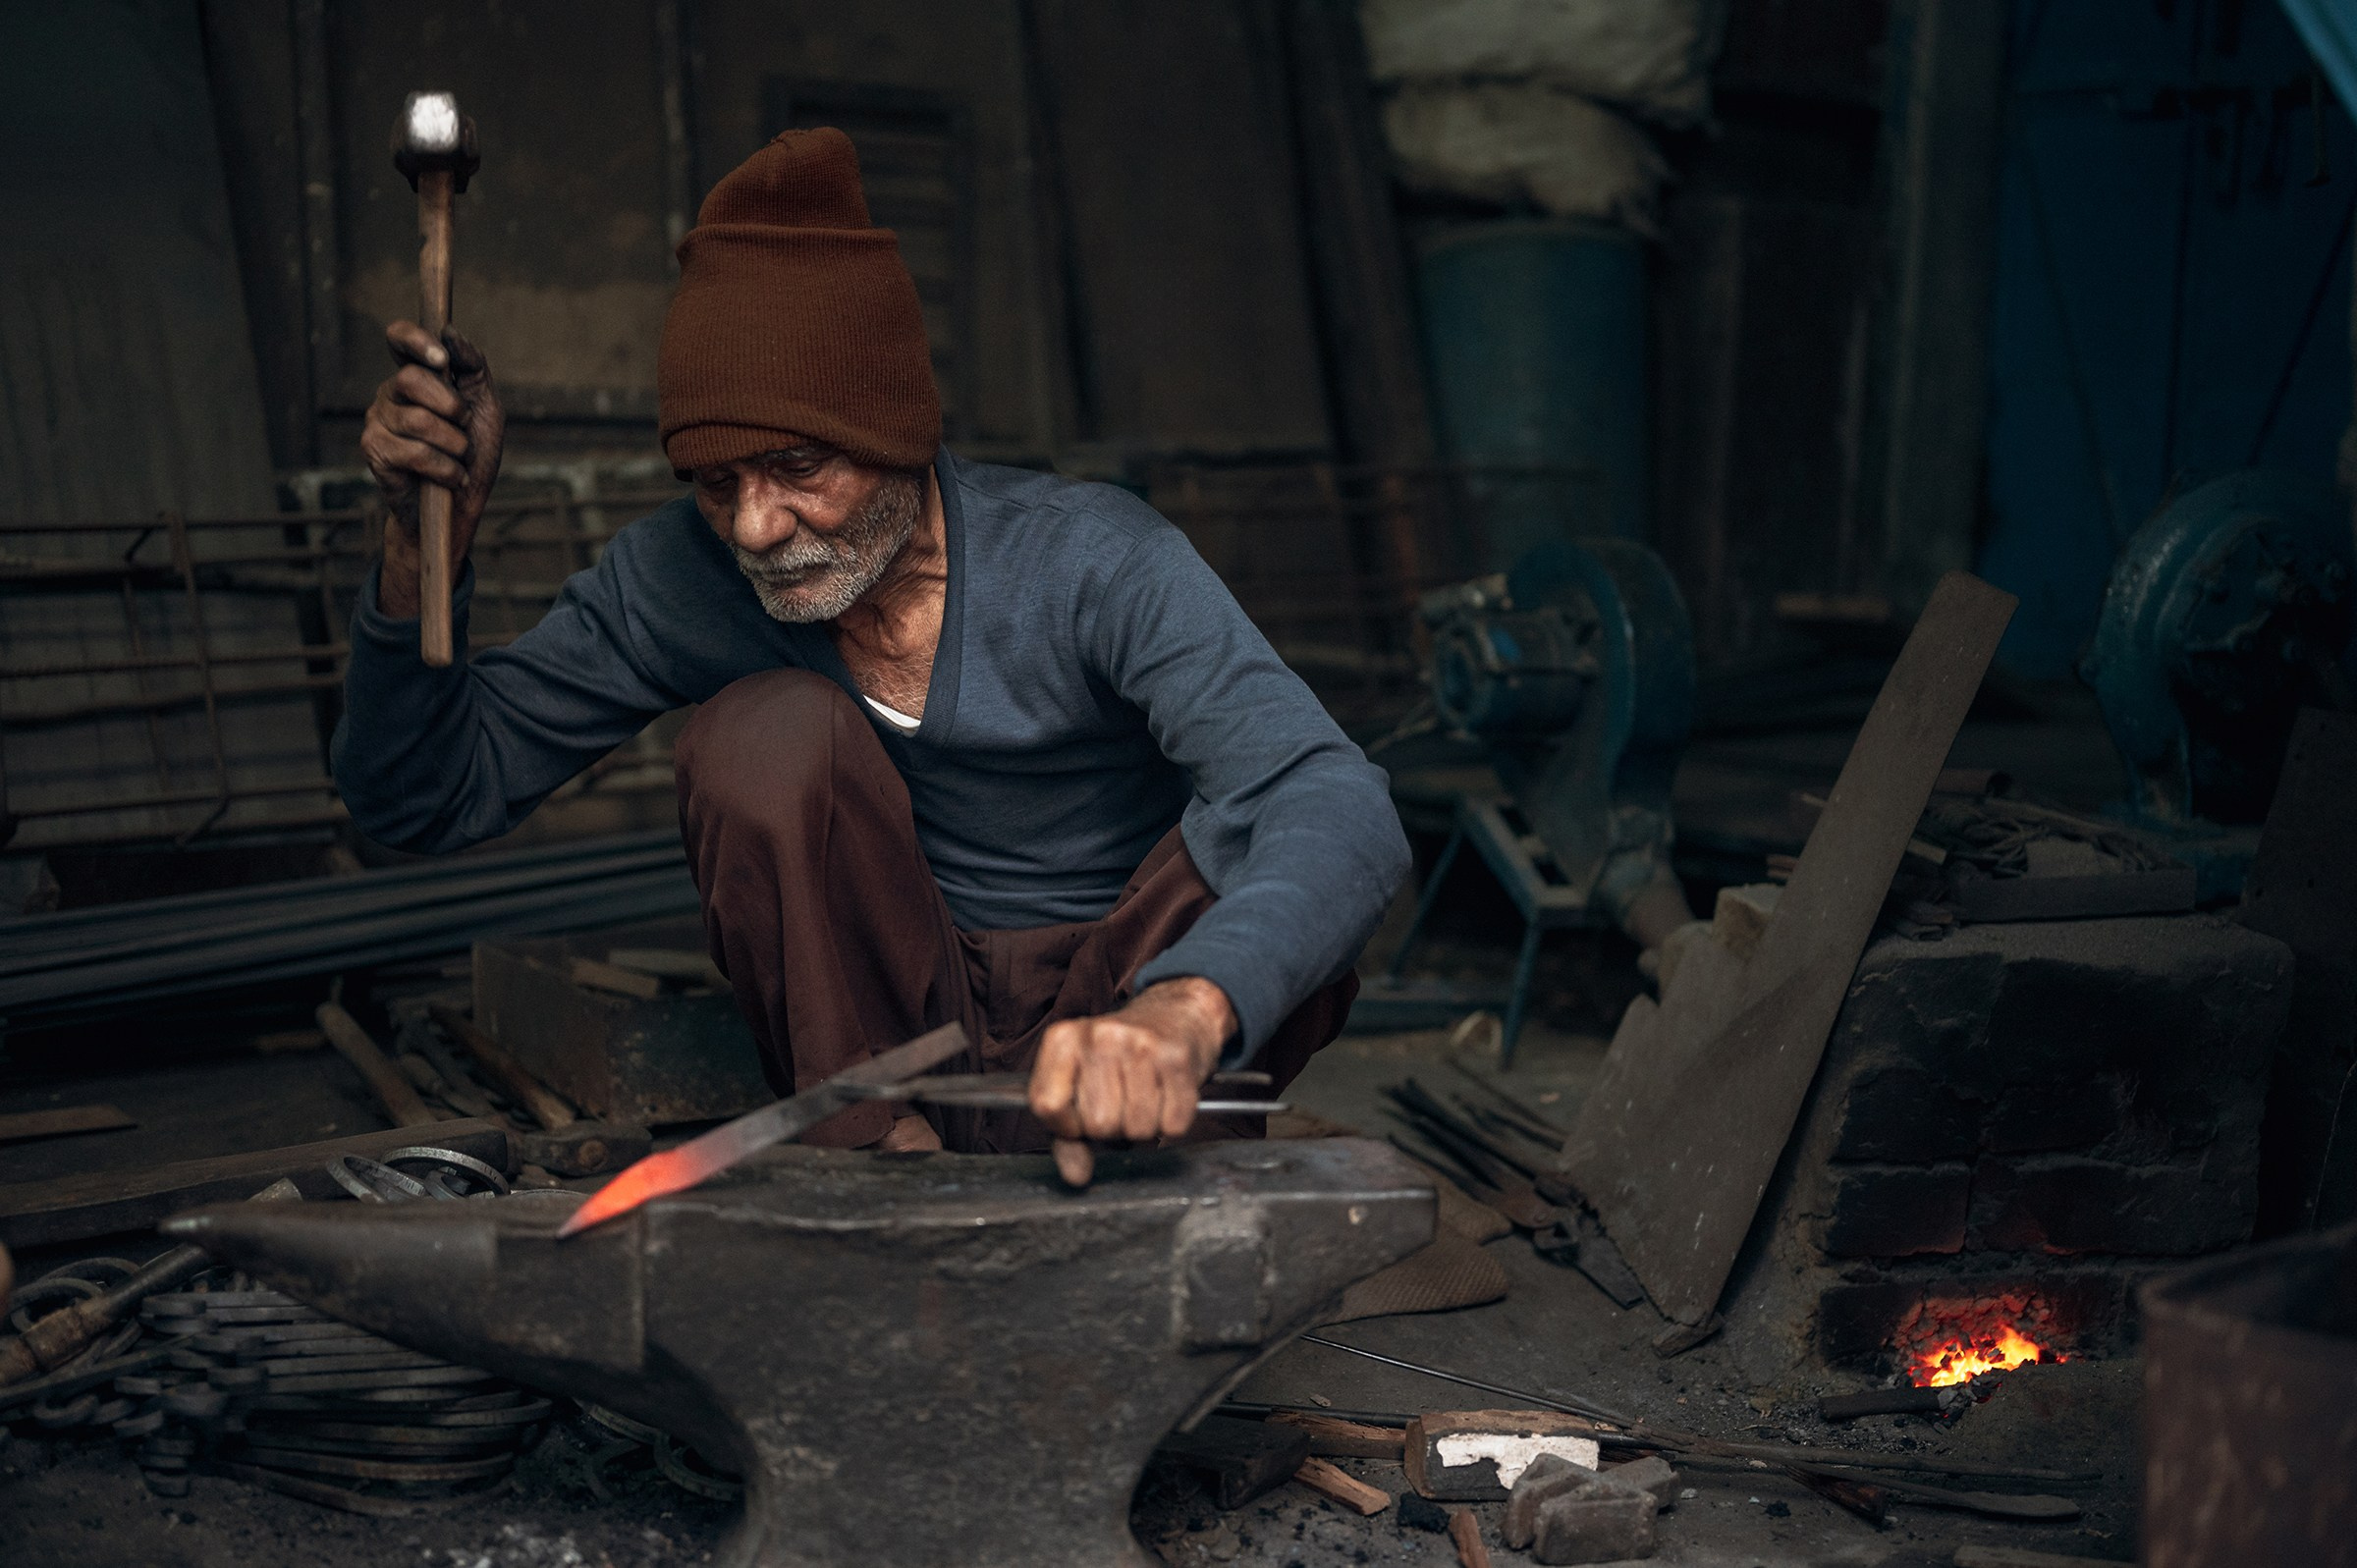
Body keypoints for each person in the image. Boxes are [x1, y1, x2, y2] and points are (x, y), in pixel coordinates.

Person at [342, 129, 1408, 1171]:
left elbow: (1340, 800)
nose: (757, 525)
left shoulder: (1094, 562)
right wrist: (419, 543)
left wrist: (1190, 1005)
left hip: (1123, 1029)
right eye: (719, 483)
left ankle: (1162, 1152)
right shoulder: (686, 577)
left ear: (896, 433)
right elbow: (418, 797)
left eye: (799, 467)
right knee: (758, 737)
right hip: (899, 1048)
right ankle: (882, 1150)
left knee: (1276, 836)